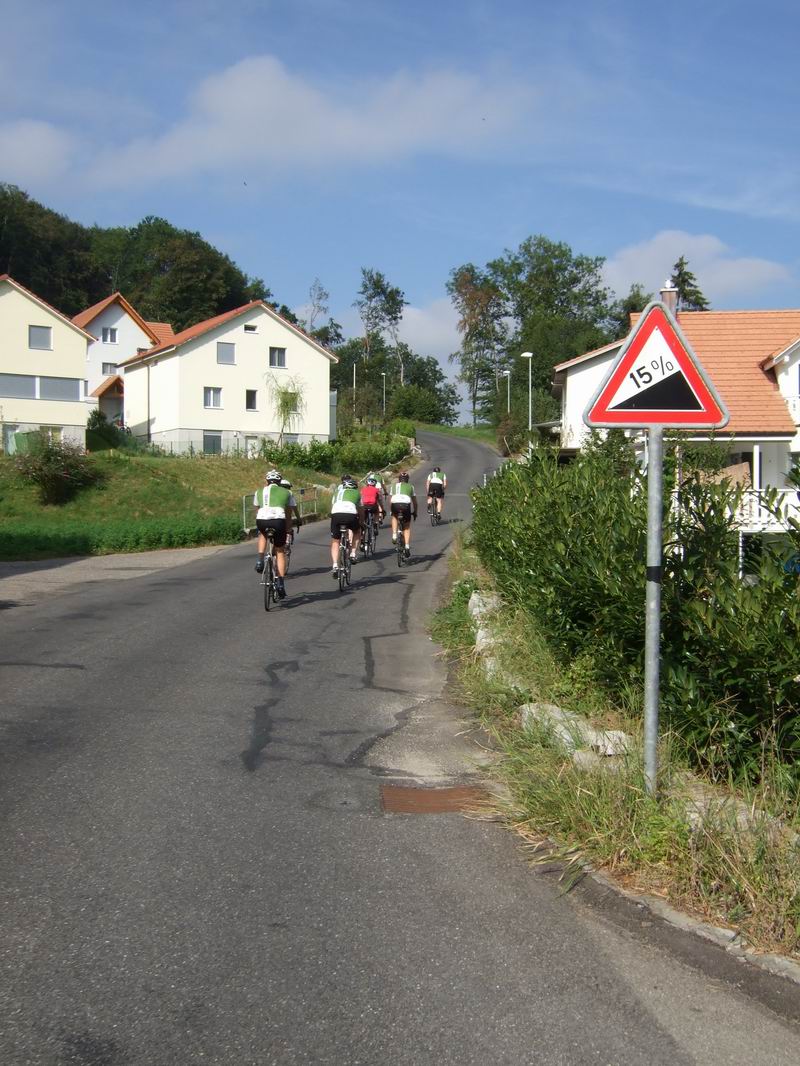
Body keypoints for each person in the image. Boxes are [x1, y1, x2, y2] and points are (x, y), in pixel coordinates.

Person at [253, 470, 297, 599]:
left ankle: (260, 560)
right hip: (278, 520)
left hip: (262, 519)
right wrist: (288, 528)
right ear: (279, 482)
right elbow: (288, 514)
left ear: (266, 481)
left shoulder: (259, 491)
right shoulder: (287, 492)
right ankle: (281, 583)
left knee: (262, 534)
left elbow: (257, 509)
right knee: (280, 551)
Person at [330, 476, 364, 578]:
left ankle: (335, 565)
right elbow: (361, 510)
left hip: (336, 515)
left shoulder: (336, 492)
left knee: (335, 540)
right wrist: (361, 522)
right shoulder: (357, 493)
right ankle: (353, 553)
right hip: (350, 515)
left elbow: (333, 506)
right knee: (357, 531)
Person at [389, 471, 417, 558]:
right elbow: (415, 502)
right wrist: (415, 512)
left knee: (394, 517)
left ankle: (394, 535)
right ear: (407, 479)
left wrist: (391, 511)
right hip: (405, 505)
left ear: (399, 479)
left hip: (395, 504)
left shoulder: (393, 486)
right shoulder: (411, 486)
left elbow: (391, 501)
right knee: (407, 527)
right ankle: (407, 546)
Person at [360, 476, 384, 547]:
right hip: (373, 506)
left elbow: (360, 499)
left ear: (367, 484)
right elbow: (380, 501)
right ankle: (376, 525)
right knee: (377, 512)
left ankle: (362, 539)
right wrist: (382, 509)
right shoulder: (377, 490)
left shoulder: (363, 489)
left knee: (363, 523)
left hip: (364, 507)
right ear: (375, 484)